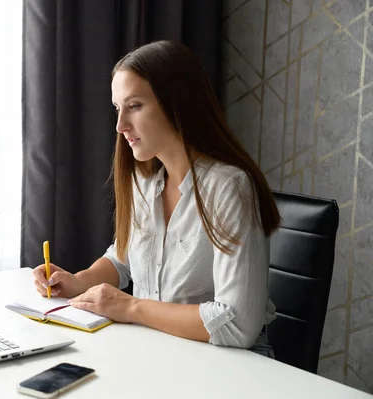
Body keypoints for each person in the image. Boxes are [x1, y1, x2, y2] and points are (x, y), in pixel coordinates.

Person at [32, 40, 279, 357]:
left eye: (134, 105)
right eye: (118, 109)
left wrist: (131, 307)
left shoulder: (229, 187)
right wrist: (78, 281)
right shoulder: (145, 180)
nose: (121, 126)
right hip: (161, 350)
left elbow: (237, 325)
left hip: (230, 364)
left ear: (177, 103)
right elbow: (124, 258)